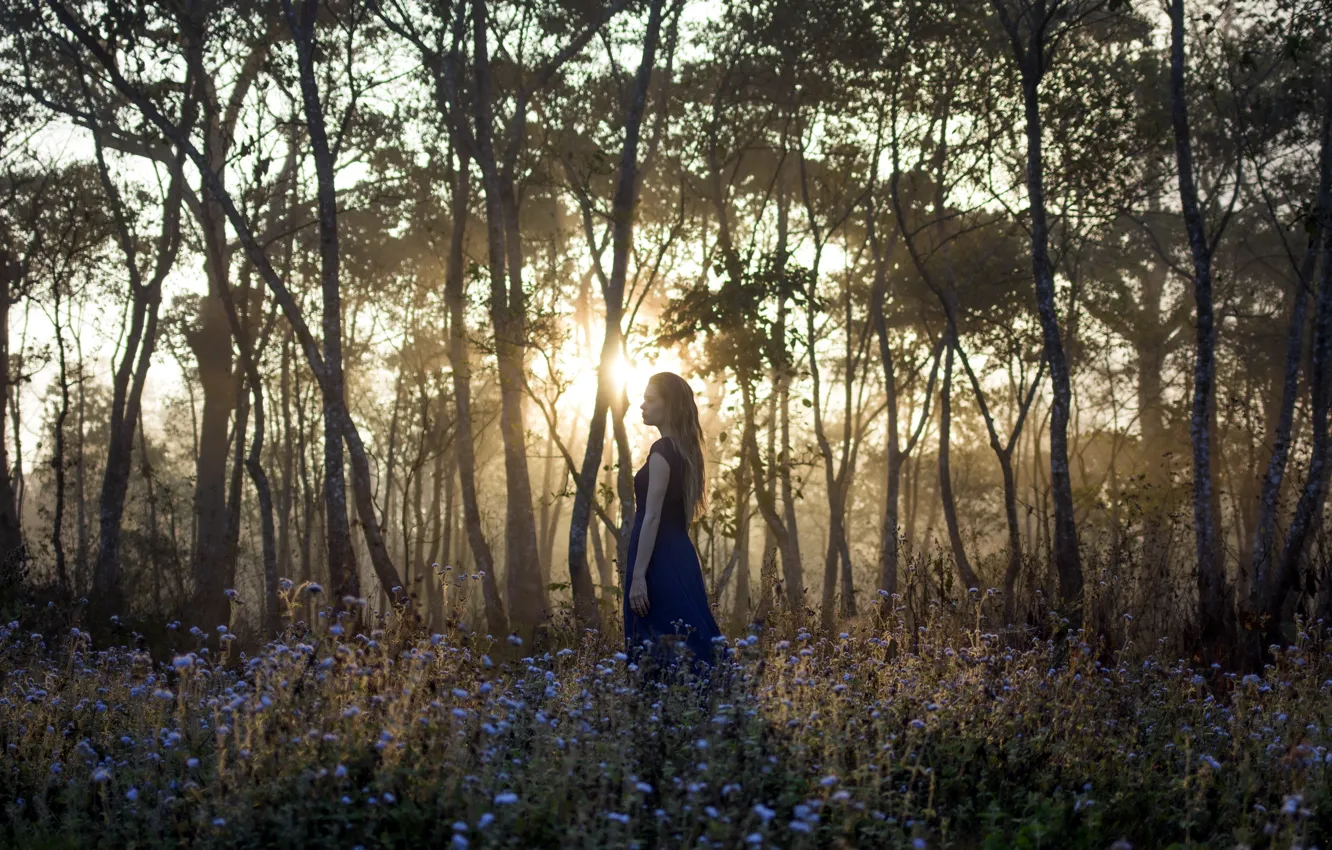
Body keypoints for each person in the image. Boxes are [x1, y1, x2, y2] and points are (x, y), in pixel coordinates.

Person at [623, 372, 721, 683]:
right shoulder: (685, 451)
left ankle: (679, 713)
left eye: (650, 400)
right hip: (678, 554)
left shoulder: (663, 451)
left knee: (664, 639)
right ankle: (710, 706)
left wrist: (638, 576)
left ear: (670, 406)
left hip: (657, 559)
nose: (642, 406)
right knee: (687, 632)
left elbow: (652, 516)